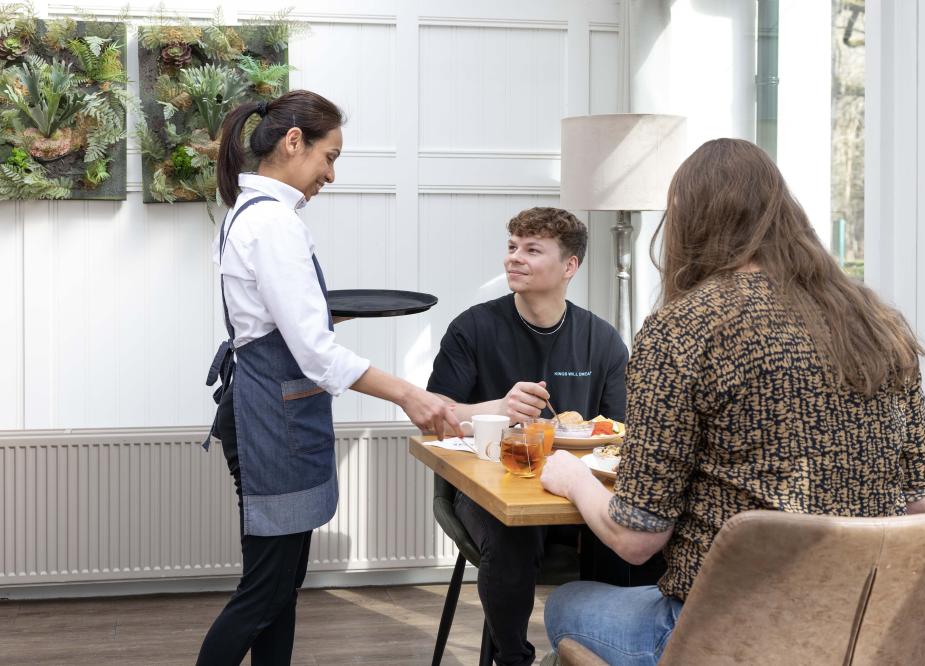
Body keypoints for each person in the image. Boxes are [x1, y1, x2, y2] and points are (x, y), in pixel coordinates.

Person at [539, 138, 925, 666]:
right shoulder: (877, 322)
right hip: (856, 634)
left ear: (689, 223)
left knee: (566, 604)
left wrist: (572, 478)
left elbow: (637, 538)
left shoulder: (683, 327)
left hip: (727, 638)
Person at [196, 90, 460, 666]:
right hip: (273, 424)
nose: (331, 175)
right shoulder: (273, 224)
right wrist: (410, 394)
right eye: (329, 156)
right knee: (264, 592)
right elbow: (316, 356)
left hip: (272, 413)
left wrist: (320, 310)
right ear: (294, 143)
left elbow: (273, 320)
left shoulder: (258, 214)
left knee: (280, 592)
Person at [427, 207, 661, 666]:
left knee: (633, 527)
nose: (515, 258)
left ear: (569, 267)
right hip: (487, 488)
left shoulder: (602, 339)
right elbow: (434, 417)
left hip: (576, 488)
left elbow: (622, 431)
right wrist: (498, 408)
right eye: (512, 246)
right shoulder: (473, 328)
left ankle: (602, 651)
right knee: (513, 530)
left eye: (532, 250)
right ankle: (513, 658)